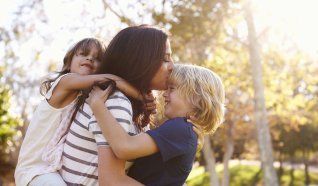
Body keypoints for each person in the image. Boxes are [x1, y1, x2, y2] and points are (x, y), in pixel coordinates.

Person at [14, 38, 142, 186]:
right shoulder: (64, 82)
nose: (90, 58)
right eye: (83, 53)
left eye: (97, 58)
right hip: (34, 170)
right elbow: (110, 80)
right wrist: (141, 96)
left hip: (52, 169)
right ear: (68, 63)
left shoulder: (84, 97)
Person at [59, 25, 174, 185]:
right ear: (141, 60)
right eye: (165, 59)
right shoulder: (115, 102)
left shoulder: (128, 104)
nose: (172, 67)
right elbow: (111, 182)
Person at [87, 64, 226, 186]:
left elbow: (124, 147)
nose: (164, 94)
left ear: (196, 98)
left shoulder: (181, 128)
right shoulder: (184, 130)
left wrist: (97, 105)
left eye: (172, 89)